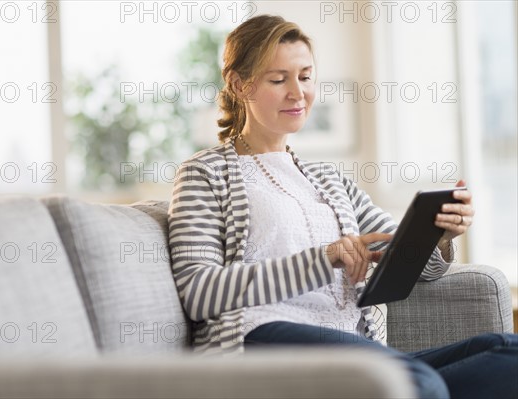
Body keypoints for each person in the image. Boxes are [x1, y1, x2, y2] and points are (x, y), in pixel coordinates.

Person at [167, 14, 517, 399]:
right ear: (239, 84)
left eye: (305, 76)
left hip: (343, 336)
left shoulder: (330, 179)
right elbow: (199, 292)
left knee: (508, 352)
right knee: (417, 383)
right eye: (278, 79)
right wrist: (325, 258)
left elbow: (415, 265)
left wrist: (439, 235)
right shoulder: (204, 173)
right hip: (260, 333)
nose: (297, 93)